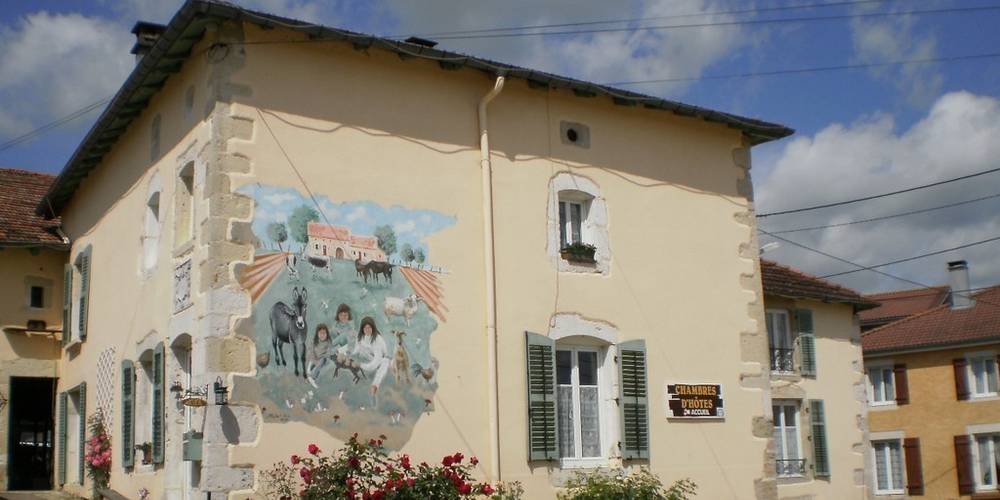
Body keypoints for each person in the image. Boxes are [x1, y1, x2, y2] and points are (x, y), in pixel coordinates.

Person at [352, 316, 391, 406]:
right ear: (362, 329)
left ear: (373, 328)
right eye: (365, 328)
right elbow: (356, 351)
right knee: (361, 350)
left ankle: (374, 387)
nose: (367, 330)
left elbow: (374, 364)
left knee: (385, 362)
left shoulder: (377, 339)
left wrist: (360, 365)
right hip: (368, 357)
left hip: (379, 359)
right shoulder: (360, 338)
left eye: (369, 327)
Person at [306, 324, 333, 388]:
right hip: (315, 357)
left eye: (324, 333)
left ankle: (312, 377)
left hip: (324, 358)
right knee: (314, 362)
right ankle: (310, 369)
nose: (322, 335)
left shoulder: (328, 342)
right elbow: (311, 350)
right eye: (320, 333)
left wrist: (321, 356)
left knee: (320, 363)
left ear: (327, 334)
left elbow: (329, 352)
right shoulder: (314, 341)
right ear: (317, 334)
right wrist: (314, 357)